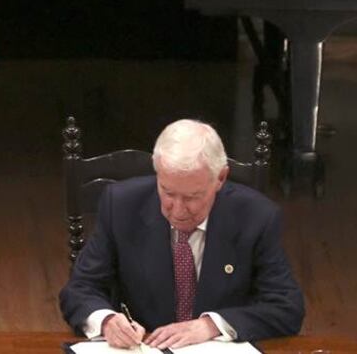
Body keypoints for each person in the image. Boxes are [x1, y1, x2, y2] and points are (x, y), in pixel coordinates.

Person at [59, 119, 305, 349]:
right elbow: (79, 289)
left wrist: (211, 325)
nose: (177, 211)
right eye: (167, 192)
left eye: (192, 197)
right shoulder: (121, 205)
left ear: (220, 178)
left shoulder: (256, 217)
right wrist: (107, 321)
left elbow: (287, 307)